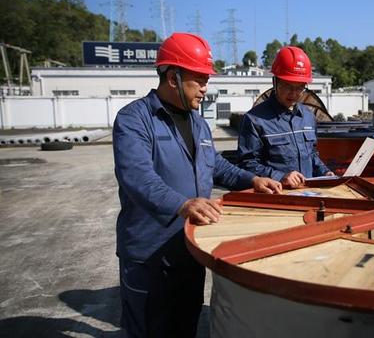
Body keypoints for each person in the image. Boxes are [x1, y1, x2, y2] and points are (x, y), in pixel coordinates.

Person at [112, 32, 282, 338]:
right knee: (150, 330)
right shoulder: (134, 119)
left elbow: (215, 166)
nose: (206, 88)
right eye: (199, 79)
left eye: (207, 79)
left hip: (190, 248)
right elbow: (136, 176)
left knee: (185, 325)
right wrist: (182, 204)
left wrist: (252, 179)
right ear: (173, 77)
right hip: (148, 255)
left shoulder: (198, 122)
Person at [237, 46, 334, 188]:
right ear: (274, 82)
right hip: (277, 199)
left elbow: (312, 155)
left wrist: (325, 173)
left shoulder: (307, 117)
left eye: (299, 87)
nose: (294, 93)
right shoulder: (254, 120)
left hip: (309, 194)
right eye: (288, 86)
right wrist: (280, 177)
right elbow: (246, 165)